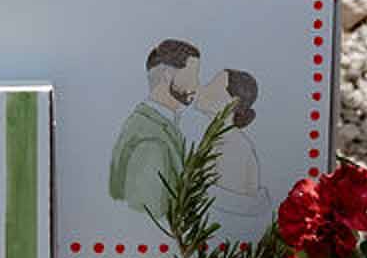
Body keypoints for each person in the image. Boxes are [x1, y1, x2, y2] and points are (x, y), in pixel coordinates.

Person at [108, 39, 200, 218]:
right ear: (167, 74)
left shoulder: (157, 125)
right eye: (192, 75)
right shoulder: (151, 141)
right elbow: (148, 216)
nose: (197, 85)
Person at [189, 68, 271, 234]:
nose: (202, 89)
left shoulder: (231, 147)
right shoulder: (218, 140)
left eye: (212, 87)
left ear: (232, 102)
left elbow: (224, 211)